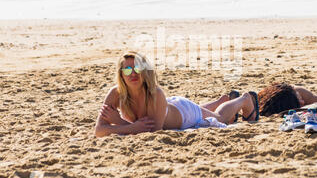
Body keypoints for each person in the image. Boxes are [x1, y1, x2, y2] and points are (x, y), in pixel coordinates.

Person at [94, 51, 259, 137]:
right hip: (169, 107)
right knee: (206, 112)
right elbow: (99, 131)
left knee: (220, 118)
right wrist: (131, 127)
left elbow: (154, 132)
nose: (133, 74)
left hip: (184, 113)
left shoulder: (155, 93)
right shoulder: (116, 93)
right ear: (121, 73)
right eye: (127, 69)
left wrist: (118, 122)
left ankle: (245, 99)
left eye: (137, 68)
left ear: (145, 71)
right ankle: (221, 100)